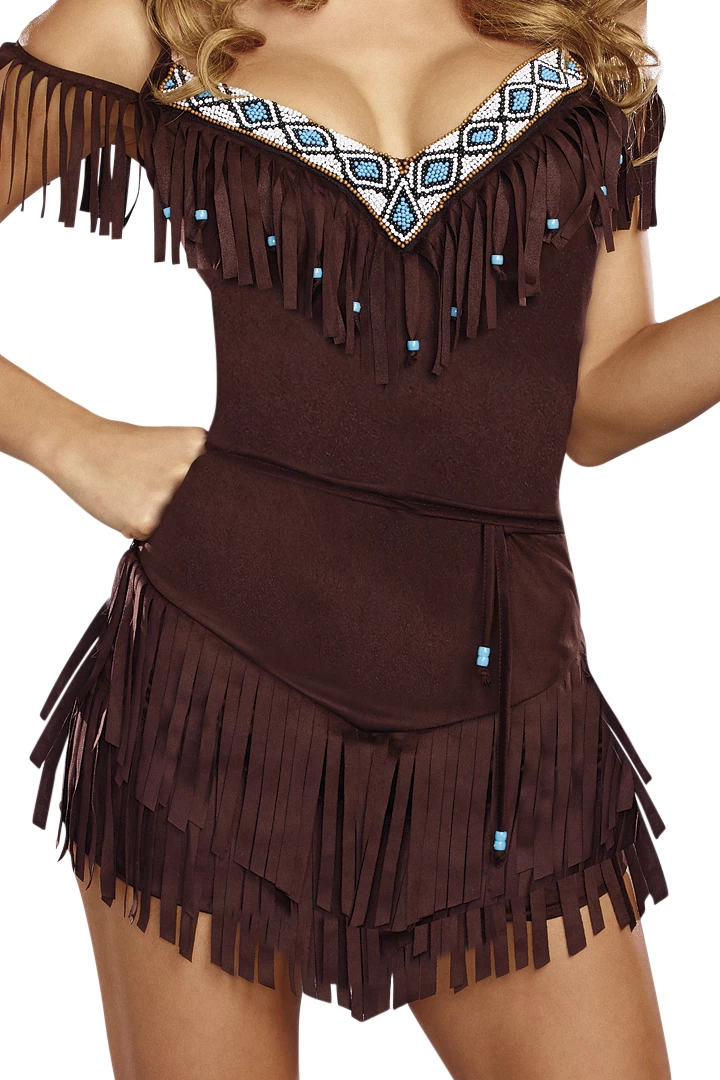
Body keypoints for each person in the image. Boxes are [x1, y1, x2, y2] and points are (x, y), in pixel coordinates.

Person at [3, 0, 714, 1077]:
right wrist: (71, 442)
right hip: (214, 707)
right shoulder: (156, 17)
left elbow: (599, 402)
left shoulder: (581, 14)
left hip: (505, 729)